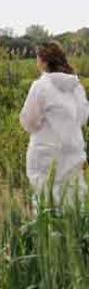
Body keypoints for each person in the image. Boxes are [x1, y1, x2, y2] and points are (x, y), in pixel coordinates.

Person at [20, 42, 89, 206]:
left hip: (45, 154)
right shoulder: (76, 87)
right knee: (73, 200)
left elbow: (29, 121)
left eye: (37, 58)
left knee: (46, 204)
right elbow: (83, 116)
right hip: (72, 152)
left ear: (44, 61)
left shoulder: (41, 86)